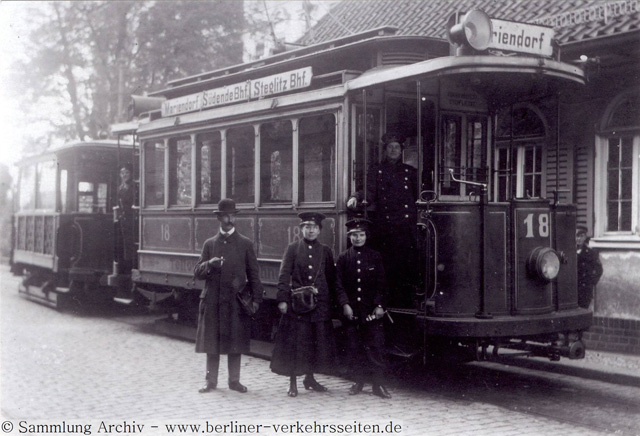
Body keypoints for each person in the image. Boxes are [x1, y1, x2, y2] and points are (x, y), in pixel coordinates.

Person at [194, 198, 263, 394]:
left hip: (236, 301)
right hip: (213, 301)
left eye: (232, 215)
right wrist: (210, 265)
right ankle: (211, 381)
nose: (229, 219)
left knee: (236, 342)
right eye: (225, 215)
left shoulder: (245, 244)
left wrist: (257, 299)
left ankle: (234, 381)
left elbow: (254, 273)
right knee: (211, 344)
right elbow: (197, 271)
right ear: (219, 218)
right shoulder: (209, 244)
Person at [346, 132, 418, 307]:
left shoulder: (410, 172)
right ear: (385, 150)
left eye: (397, 147)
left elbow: (418, 197)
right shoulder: (376, 170)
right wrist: (356, 196)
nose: (394, 150)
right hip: (385, 228)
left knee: (406, 266)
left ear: (401, 150)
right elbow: (369, 192)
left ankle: (406, 302)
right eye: (390, 147)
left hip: (406, 228)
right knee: (386, 267)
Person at [270, 212, 337, 397]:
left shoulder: (325, 251)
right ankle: (293, 382)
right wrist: (282, 299)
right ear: (301, 229)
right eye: (307, 227)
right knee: (295, 344)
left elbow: (332, 279)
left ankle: (310, 378)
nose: (311, 230)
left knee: (314, 342)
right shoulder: (293, 249)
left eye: (314, 227)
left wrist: (335, 304)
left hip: (319, 306)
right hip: (298, 305)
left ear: (319, 230)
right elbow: (284, 275)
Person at [336, 218, 391, 399]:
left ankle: (378, 384)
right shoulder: (344, 258)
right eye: (354, 236)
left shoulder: (375, 256)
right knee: (354, 347)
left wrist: (380, 306)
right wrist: (345, 305)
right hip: (352, 311)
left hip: (371, 312)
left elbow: (382, 284)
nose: (358, 238)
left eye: (361, 235)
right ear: (349, 237)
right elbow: (339, 285)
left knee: (375, 347)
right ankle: (358, 381)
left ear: (366, 236)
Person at [116, 163, 138, 272]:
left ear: (131, 174)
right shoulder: (120, 188)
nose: (124, 175)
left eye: (127, 173)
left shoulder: (134, 186)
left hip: (132, 217)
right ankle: (123, 262)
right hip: (123, 217)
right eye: (122, 173)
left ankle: (130, 262)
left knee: (130, 241)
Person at [576, 225, 603, 309]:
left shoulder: (591, 253)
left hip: (585, 290)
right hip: (571, 291)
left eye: (581, 236)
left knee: (583, 313)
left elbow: (599, 270)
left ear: (585, 237)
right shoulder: (568, 252)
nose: (579, 239)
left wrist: (591, 282)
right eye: (577, 236)